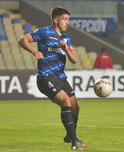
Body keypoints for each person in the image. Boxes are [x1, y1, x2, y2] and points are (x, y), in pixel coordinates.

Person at [19, 6, 87, 150]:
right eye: (65, 19)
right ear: (56, 20)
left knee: (75, 107)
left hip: (61, 78)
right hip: (46, 77)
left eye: (68, 19)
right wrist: (34, 51)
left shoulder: (66, 38)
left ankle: (70, 135)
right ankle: (74, 141)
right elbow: (22, 39)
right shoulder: (44, 32)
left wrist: (66, 49)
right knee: (66, 101)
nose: (68, 22)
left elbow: (74, 60)